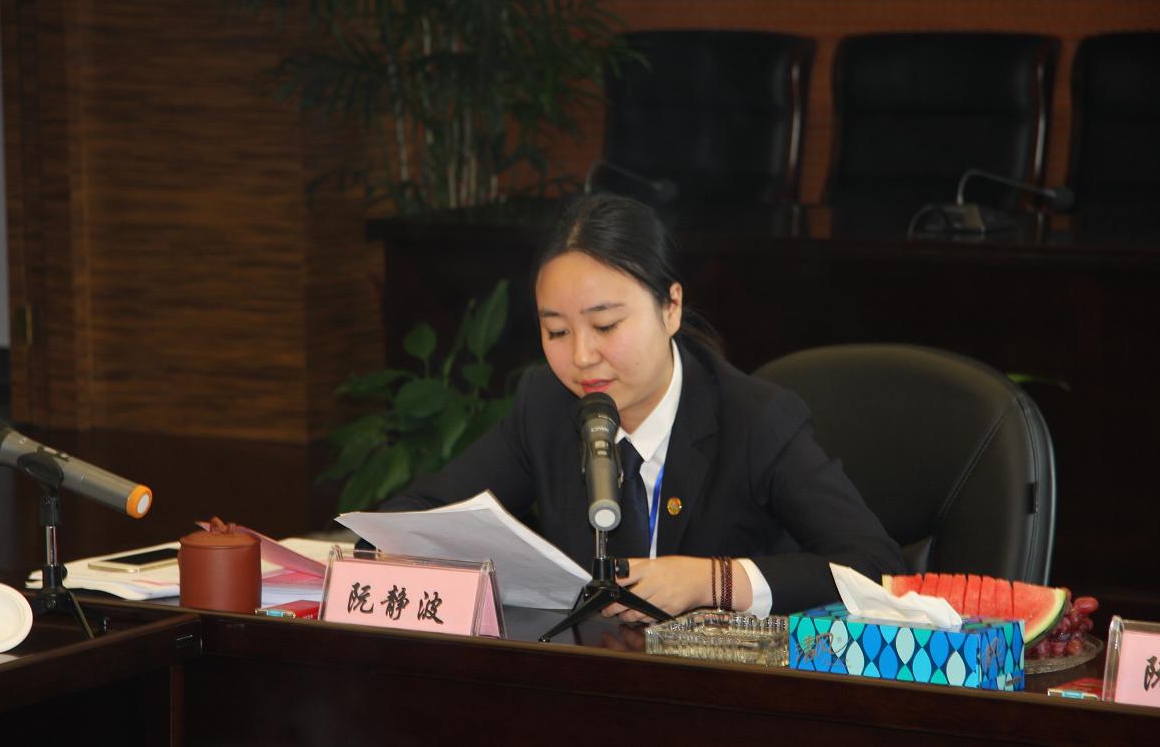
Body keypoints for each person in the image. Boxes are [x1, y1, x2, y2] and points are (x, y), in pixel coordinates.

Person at [376, 193, 906, 620]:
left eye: (606, 325)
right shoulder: (546, 405)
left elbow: (875, 564)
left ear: (670, 307)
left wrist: (714, 581)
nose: (581, 357)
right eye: (556, 331)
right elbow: (418, 514)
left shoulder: (756, 420)